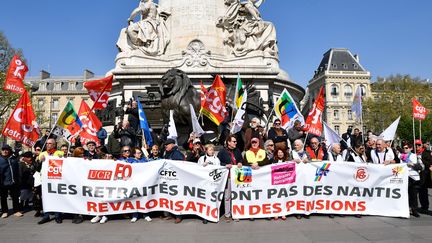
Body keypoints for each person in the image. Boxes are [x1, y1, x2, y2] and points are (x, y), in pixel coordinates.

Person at [37, 138, 64, 224]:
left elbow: (64, 157)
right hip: (45, 179)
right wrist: (40, 159)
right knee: (45, 197)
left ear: (54, 145)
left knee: (57, 197)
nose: (48, 145)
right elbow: (38, 160)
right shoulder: (43, 153)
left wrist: (61, 157)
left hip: (56, 179)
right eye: (47, 143)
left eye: (50, 143)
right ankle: (46, 216)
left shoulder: (59, 153)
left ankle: (57, 215)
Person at [217, 135, 243, 222]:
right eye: (234, 141)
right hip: (228, 176)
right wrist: (225, 165)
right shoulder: (222, 152)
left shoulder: (237, 150)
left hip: (237, 176)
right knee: (227, 196)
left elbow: (240, 159)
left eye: (236, 141)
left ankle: (235, 213)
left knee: (236, 196)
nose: (236, 143)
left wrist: (240, 162)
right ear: (228, 142)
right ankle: (227, 214)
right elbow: (218, 163)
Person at [162, 139, 185, 223]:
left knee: (176, 197)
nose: (165, 146)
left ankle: (178, 215)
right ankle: (171, 214)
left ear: (172, 144)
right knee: (169, 197)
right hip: (169, 178)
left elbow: (181, 165)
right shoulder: (167, 153)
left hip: (176, 179)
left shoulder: (176, 153)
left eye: (167, 144)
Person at [399, 143, 423, 217]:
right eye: (404, 148)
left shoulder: (414, 155)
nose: (405, 149)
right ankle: (406, 208)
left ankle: (414, 209)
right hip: (404, 176)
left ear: (410, 148)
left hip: (413, 177)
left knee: (413, 194)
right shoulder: (400, 156)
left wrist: (411, 164)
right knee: (405, 193)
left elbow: (419, 166)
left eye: (406, 148)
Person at [128, 147, 151, 223]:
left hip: (144, 182)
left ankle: (146, 214)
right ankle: (135, 215)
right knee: (135, 199)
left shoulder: (144, 160)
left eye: (140, 152)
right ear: (134, 154)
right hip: (134, 182)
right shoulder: (130, 160)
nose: (140, 154)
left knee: (144, 198)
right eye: (138, 153)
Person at [0, 145, 22, 218]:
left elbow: (17, 170)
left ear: (9, 150)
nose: (4, 151)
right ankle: (5, 211)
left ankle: (16, 211)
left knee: (15, 197)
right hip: (3, 182)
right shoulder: (0, 159)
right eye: (3, 150)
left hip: (14, 181)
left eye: (6, 150)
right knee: (3, 197)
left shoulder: (13, 159)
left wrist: (18, 179)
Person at [418, 140, 432, 215]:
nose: (417, 147)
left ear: (422, 145)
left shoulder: (426, 153)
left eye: (419, 145)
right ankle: (416, 206)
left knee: (423, 191)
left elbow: (430, 163)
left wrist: (421, 159)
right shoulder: (413, 153)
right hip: (416, 175)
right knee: (418, 192)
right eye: (416, 145)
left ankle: (425, 206)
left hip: (424, 175)